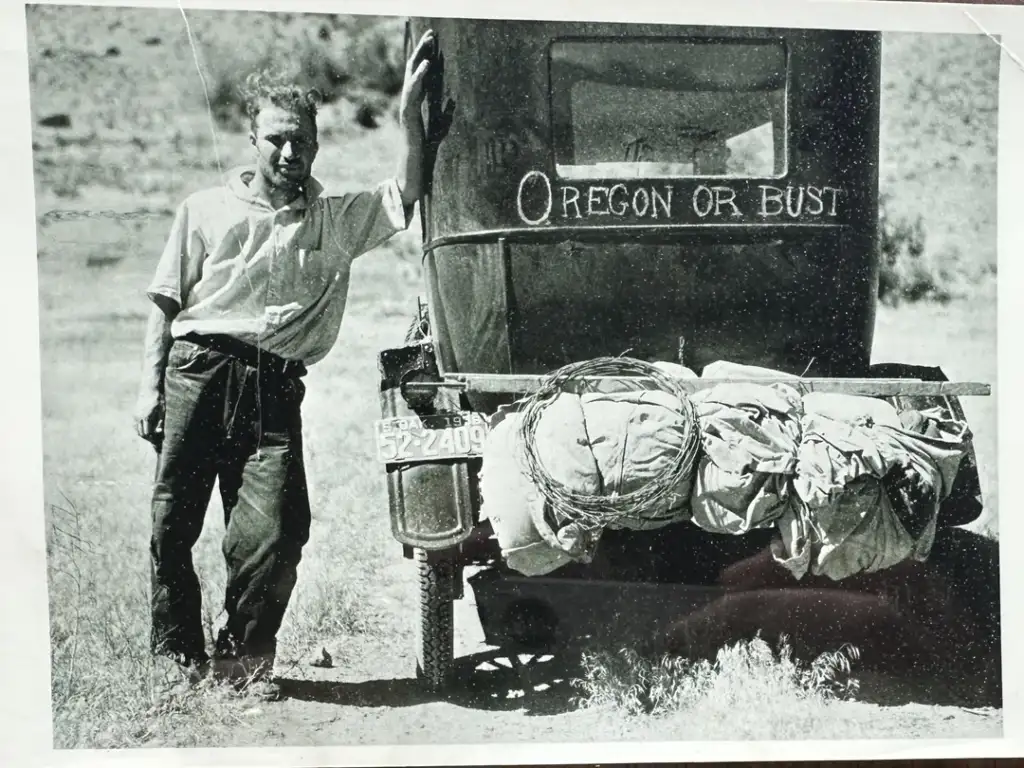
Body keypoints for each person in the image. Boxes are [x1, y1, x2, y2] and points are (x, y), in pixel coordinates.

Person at [132, 30, 436, 701]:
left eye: (301, 138)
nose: (290, 151)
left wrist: (408, 112)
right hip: (199, 372)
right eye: (276, 138)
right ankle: (176, 657)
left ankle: (240, 663)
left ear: (317, 142)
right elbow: (164, 302)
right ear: (252, 141)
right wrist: (149, 389)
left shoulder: (333, 220)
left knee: (274, 534)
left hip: (274, 389)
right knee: (172, 522)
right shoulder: (203, 210)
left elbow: (407, 193)